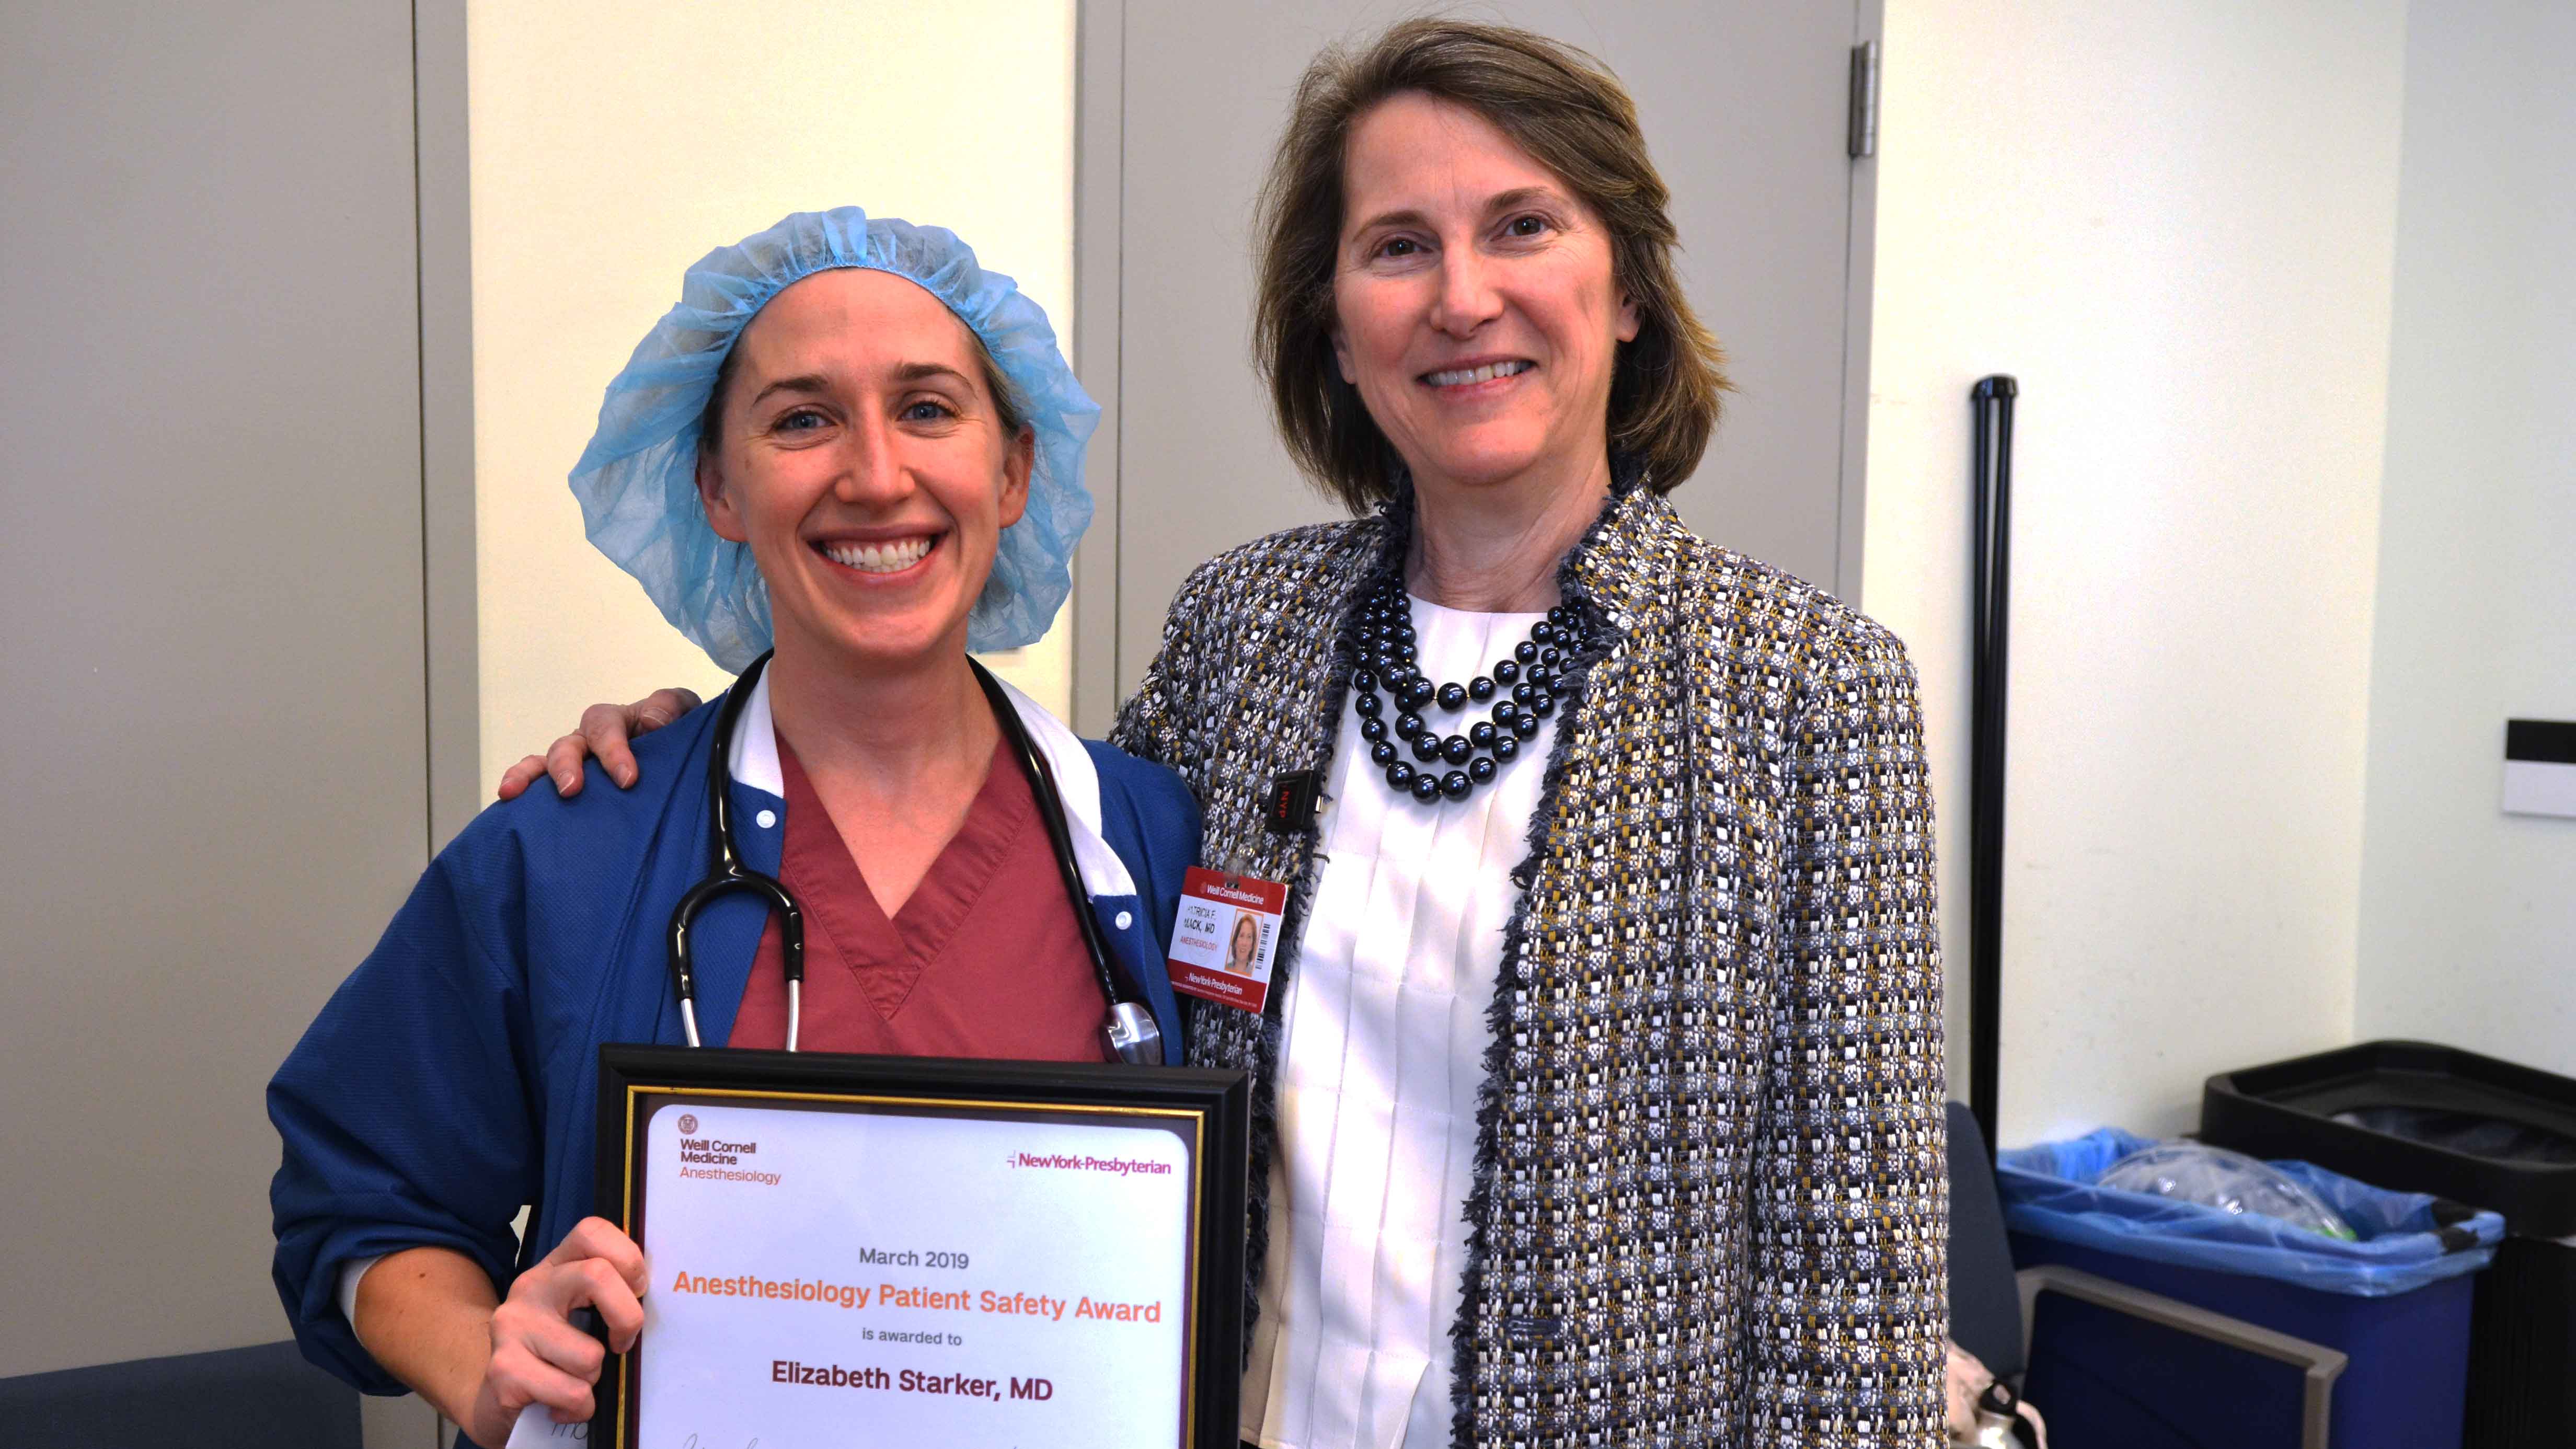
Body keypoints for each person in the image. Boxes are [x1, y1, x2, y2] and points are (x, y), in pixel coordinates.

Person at [512, 21, 1948, 1446]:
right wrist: (694, 744)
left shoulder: (1807, 694)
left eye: (1522, 227)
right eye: (1397, 246)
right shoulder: (1245, 629)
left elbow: (1859, 1288)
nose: (1462, 298)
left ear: (1626, 285)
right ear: (1332, 319)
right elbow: (1021, 841)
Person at [269, 209, 1199, 1449]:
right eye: (802, 419)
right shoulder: (572, 848)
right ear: (716, 485)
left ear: (1015, 470)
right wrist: (485, 1361)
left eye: (928, 408)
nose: (876, 474)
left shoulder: (1150, 836)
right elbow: (365, 1205)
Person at [1224, 911, 1261, 975]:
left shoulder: (1256, 974)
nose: (1244, 943)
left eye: (1249, 937)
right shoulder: (1225, 967)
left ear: (1252, 945)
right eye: (1242, 936)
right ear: (1235, 941)